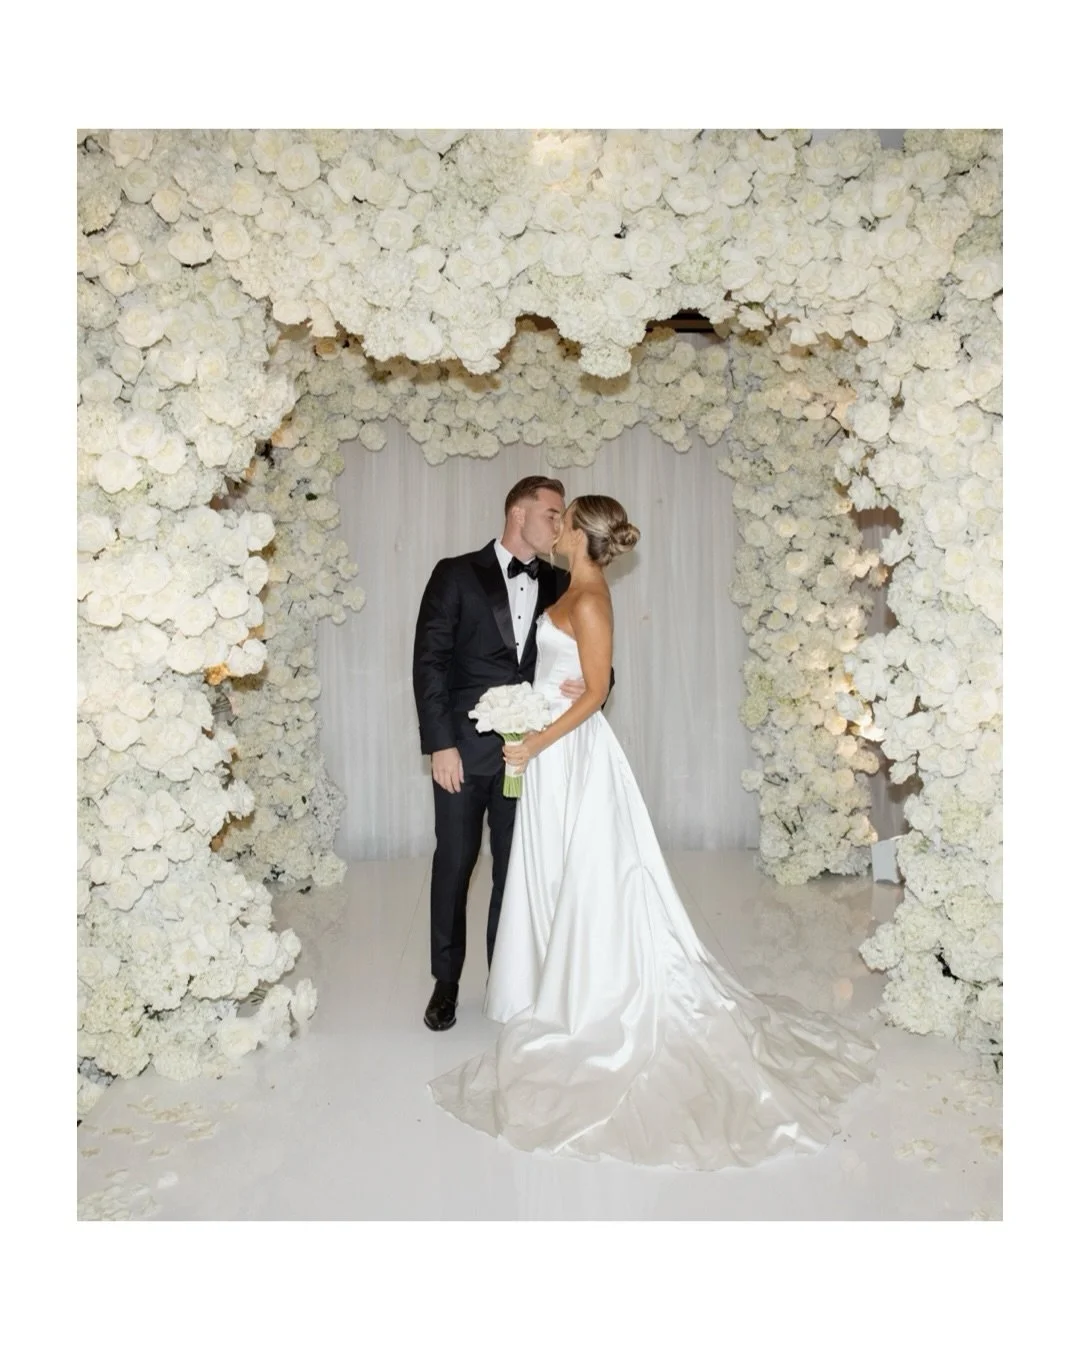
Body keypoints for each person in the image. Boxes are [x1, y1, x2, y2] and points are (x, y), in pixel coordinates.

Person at [428, 495, 877, 1170]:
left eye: (564, 518)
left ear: (580, 533)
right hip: (545, 753)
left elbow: (594, 689)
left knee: (590, 874)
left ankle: (591, 993)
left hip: (567, 756)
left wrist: (538, 737)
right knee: (545, 869)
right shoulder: (566, 586)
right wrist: (540, 712)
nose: (555, 525)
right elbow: (565, 672)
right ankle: (543, 983)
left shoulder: (589, 597)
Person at [413, 476, 587, 1033]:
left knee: (517, 872)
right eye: (552, 513)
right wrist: (441, 744)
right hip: (462, 753)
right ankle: (445, 983)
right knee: (454, 864)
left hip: (532, 755)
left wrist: (593, 685)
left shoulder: (563, 583)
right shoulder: (455, 574)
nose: (560, 525)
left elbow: (595, 657)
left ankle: (506, 981)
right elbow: (430, 663)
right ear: (518, 512)